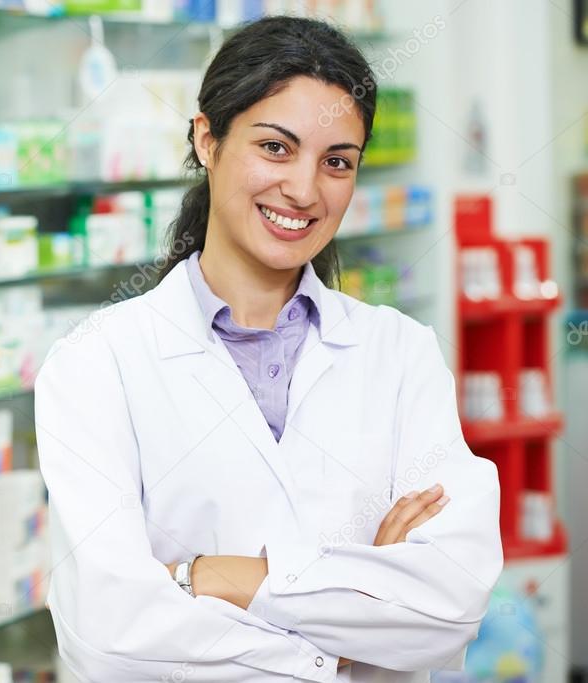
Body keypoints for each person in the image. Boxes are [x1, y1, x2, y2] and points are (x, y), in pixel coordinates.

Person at [35, 16, 502, 682]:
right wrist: (348, 633)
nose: (305, 190)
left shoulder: (399, 353)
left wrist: (208, 576)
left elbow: (452, 603)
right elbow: (110, 634)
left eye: (336, 161)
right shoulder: (94, 362)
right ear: (206, 139)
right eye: (275, 148)